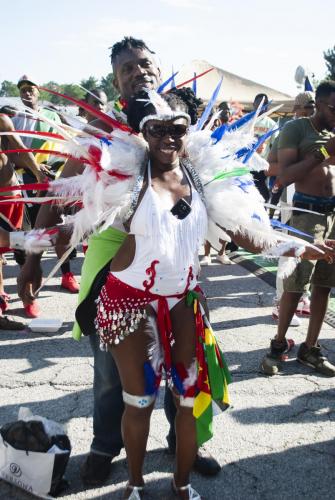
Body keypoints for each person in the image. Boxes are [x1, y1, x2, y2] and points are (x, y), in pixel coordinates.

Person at [50, 87, 332, 499]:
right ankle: (135, 484)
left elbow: (244, 234)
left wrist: (296, 246)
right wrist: (41, 238)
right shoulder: (125, 182)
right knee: (139, 400)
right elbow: (75, 220)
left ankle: (181, 486)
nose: (168, 137)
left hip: (183, 302)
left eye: (177, 129)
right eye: (157, 128)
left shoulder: (201, 178)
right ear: (142, 133)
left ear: (190, 132)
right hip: (129, 305)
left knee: (186, 399)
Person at [17, 37, 221, 485]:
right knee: (113, 371)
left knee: (182, 365)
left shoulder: (181, 122)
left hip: (175, 267)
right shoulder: (100, 131)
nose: (137, 71)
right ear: (116, 80)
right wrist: (31, 258)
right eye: (126, 68)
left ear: (157, 66)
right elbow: (61, 189)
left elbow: (214, 186)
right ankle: (105, 445)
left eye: (143, 63)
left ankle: (183, 441)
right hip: (115, 266)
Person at [260, 80, 335, 376]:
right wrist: (324, 153)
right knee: (295, 284)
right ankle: (278, 346)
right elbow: (282, 174)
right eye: (332, 108)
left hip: (332, 214)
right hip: (306, 213)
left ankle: (310, 348)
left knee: (324, 285)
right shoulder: (297, 129)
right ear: (318, 104)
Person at [268, 91, 316, 327]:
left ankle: (302, 298)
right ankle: (280, 302)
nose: (313, 109)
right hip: (294, 200)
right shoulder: (291, 130)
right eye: (309, 105)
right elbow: (270, 166)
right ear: (297, 108)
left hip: (321, 204)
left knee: (314, 252)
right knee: (290, 251)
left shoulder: (324, 129)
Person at [0, 110, 48, 329]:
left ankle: (29, 297)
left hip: (13, 198)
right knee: (23, 242)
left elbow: (19, 149)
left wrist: (38, 173)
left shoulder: (2, 120)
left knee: (26, 248)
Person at [252, 93, 278, 202]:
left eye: (264, 104)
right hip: (245, 166)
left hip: (262, 167)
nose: (261, 106)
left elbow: (276, 146)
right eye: (259, 103)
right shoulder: (246, 121)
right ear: (254, 104)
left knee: (262, 198)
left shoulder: (272, 125)